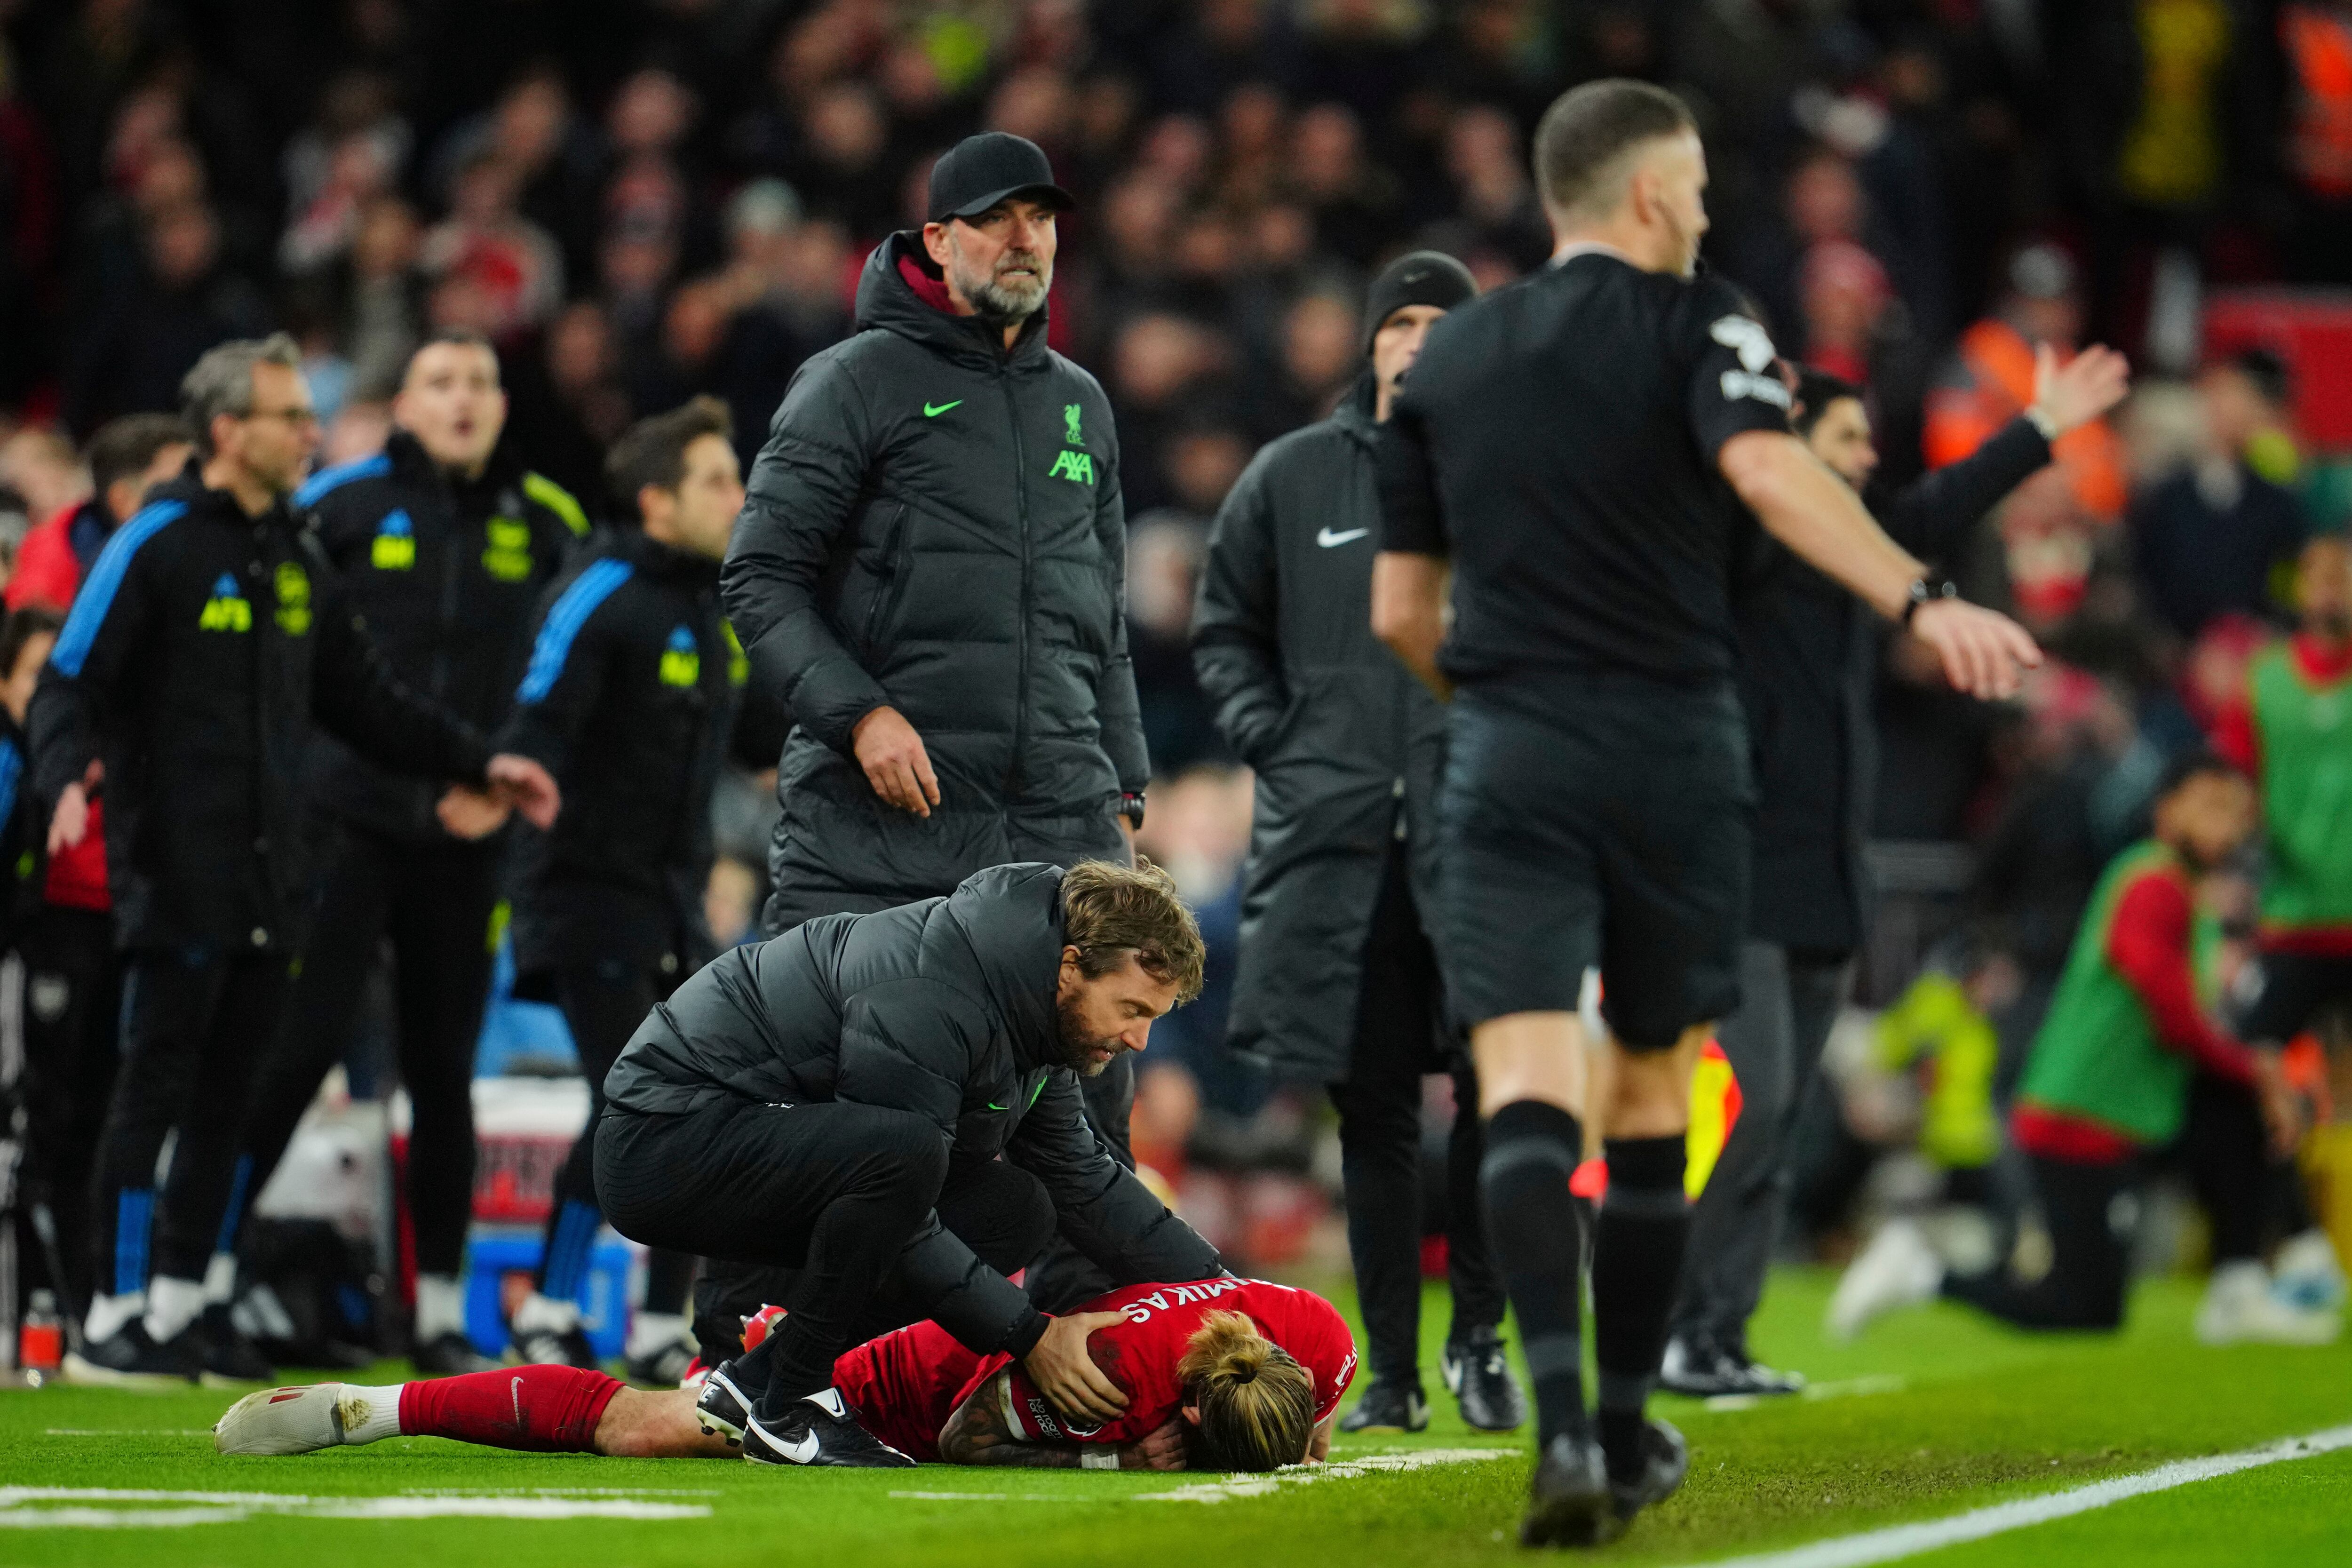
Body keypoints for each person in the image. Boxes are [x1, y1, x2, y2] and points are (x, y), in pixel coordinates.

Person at [1369, 80, 2040, 1546]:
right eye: (1698, 190)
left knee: (1530, 1092)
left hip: (1506, 748)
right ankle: (1618, 1423)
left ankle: (1558, 1430)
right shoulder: (1704, 321)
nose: (1709, 216)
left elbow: (1399, 610)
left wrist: (1489, 692)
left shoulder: (1448, 359)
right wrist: (1919, 595)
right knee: (1656, 1098)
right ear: (1652, 195)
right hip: (1669, 746)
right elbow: (1761, 467)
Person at [32, 334, 559, 1387]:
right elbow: (69, 678)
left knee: (228, 1091)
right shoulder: (161, 539)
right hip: (181, 858)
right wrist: (58, 778)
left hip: (276, 871)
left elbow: (364, 698)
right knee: (157, 1087)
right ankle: (112, 1313)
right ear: (228, 431)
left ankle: (177, 1306)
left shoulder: (295, 550)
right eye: (288, 417)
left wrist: (484, 763)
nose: (310, 432)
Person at [717, 130, 1150, 1336]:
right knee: (821, 1097)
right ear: (937, 239)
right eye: (998, 218)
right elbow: (759, 577)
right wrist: (859, 715)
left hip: (1055, 813)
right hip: (879, 828)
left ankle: (1094, 1361)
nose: (1026, 239)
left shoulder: (1082, 406)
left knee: (1087, 1115)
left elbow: (1099, 617)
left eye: (1042, 219)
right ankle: (744, 1352)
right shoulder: (852, 380)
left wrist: (1125, 779)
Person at [1662, 348, 2130, 1399]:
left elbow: (1940, 504)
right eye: (1845, 442)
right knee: (1747, 1106)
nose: (1867, 460)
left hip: (1829, 878)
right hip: (1738, 872)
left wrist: (2042, 428)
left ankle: (1719, 1335)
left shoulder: (1847, 568)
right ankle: (1677, 1320)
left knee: (1781, 1125)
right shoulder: (1747, 549)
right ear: (1782, 451)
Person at [1191, 248, 1519, 1436]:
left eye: (1444, 323)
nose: (1420, 340)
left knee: (1495, 1092)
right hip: (1337, 847)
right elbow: (1222, 624)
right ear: (1370, 343)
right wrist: (1278, 740)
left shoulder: (1513, 482)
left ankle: (1481, 1340)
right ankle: (1391, 1369)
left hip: (1478, 836)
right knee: (1373, 1113)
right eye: (1402, 321)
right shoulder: (1292, 478)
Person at [592, 859, 1225, 1469]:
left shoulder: (1033, 1012)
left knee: (1016, 1211)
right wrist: (1031, 1336)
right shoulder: (936, 991)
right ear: (1071, 967)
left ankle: (759, 1385)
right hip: (664, 1141)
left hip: (747, 1136)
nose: (1139, 1039)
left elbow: (1084, 1180)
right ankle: (792, 1404)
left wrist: (1229, 1293)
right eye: (1133, 1009)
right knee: (907, 1156)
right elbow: (900, 1196)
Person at [227, 329, 590, 1377]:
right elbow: (292, 664)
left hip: (470, 836)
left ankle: (436, 1312)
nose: (464, 399)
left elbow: (563, 676)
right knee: (297, 1052)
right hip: (344, 825)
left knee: (443, 1075)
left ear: (503, 404)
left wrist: (498, 782)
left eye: (481, 380)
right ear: (407, 402)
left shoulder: (549, 520)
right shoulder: (337, 508)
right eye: (442, 381)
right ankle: (203, 1274)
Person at [1827, 753, 2338, 1344]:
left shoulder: (2181, 890)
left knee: (2239, 1117)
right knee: (2080, 1307)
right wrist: (2259, 1070)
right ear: (2165, 809)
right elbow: (2173, 1020)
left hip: (2133, 1112)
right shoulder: (2152, 885)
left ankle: (2243, 1282)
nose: (2224, 826)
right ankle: (1921, 1273)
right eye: (2209, 806)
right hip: (2079, 1120)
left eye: (2234, 811)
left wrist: (2256, 1077)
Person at [490, 397, 777, 1379]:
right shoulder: (600, 590)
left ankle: (661, 1320)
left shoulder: (713, 606)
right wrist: (513, 773)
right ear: (655, 501)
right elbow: (537, 708)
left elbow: (756, 742)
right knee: (634, 1099)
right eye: (715, 480)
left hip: (671, 899)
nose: (736, 497)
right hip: (582, 893)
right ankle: (550, 1308)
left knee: (692, 1096)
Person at [217, 1275, 1354, 1472]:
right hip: (899, 1378)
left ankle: (734, 1330)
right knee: (646, 1428)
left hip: (962, 1302)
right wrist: (1110, 1453)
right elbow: (961, 1438)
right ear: (1186, 1416)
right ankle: (373, 1412)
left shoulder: (1317, 1337)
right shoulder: (1114, 1379)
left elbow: (1305, 1433)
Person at [2, 415, 191, 1321]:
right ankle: (51, 1299)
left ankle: (76, 1300)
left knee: (98, 1104)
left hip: (123, 894)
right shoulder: (69, 579)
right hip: (65, 908)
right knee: (58, 1111)